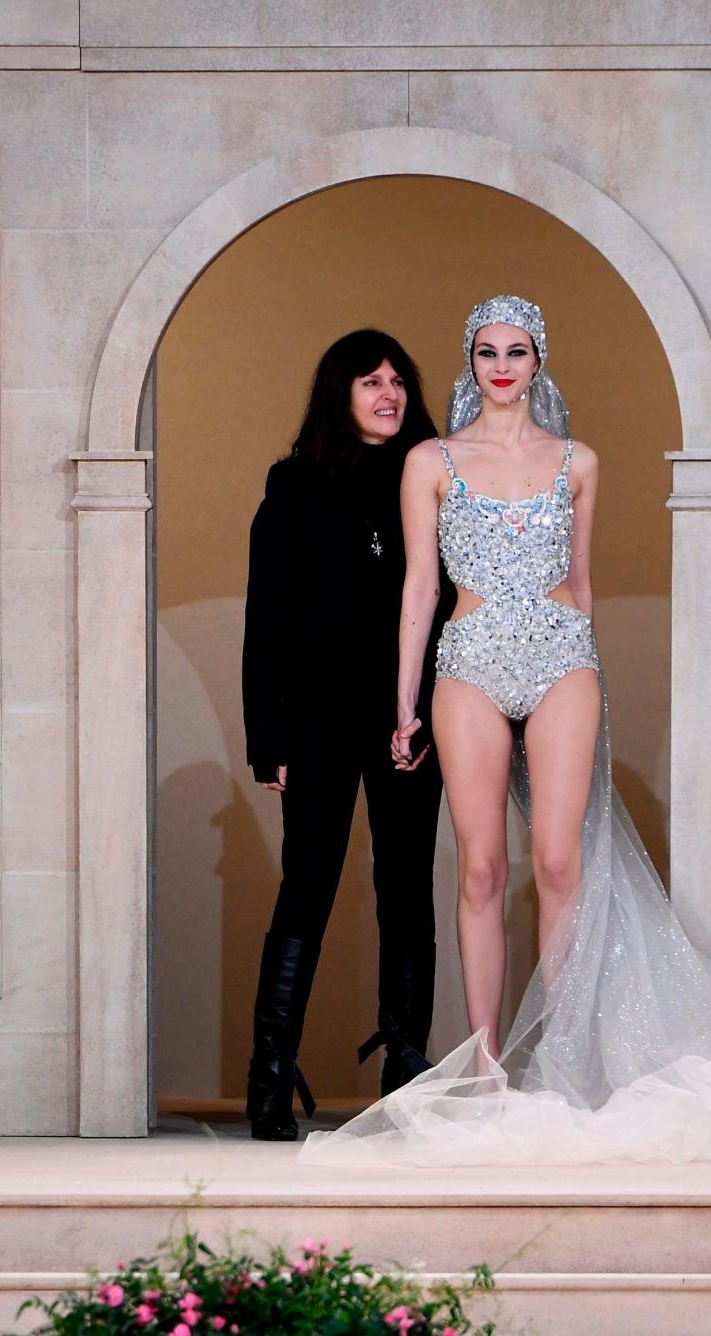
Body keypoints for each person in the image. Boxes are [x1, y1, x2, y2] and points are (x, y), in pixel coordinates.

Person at [301, 296, 711, 1168]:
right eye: (487, 351)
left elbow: (582, 587)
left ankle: (562, 1059)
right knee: (481, 865)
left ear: (540, 361)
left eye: (518, 351)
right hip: (468, 659)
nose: (503, 365)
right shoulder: (430, 462)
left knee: (559, 860)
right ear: (469, 362)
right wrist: (404, 704)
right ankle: (482, 1072)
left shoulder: (578, 462)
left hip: (561, 659)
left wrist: (592, 692)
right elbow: (419, 594)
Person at [242, 329, 451, 1142]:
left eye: (400, 380)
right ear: (342, 392)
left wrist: (435, 710)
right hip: (318, 719)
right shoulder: (293, 485)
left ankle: (406, 1068)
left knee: (407, 887)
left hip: (410, 717)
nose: (389, 393)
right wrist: (270, 736)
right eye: (371, 381)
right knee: (308, 887)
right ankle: (268, 1078)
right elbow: (268, 619)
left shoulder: (434, 479)